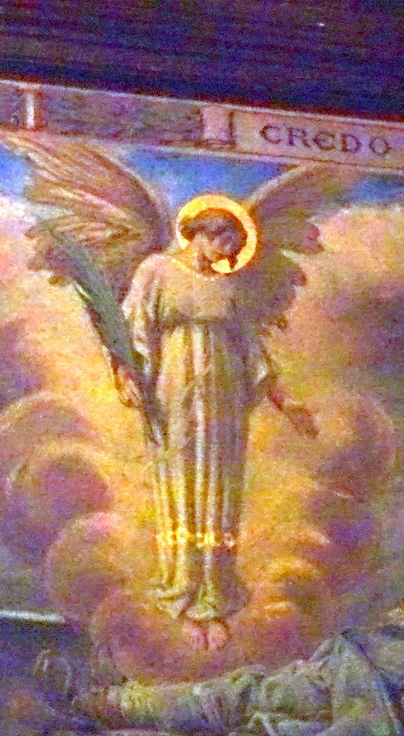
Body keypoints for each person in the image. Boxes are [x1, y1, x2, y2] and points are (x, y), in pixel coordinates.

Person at [40, 539, 404, 736]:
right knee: (247, 687)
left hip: (386, 696)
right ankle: (122, 700)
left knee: (244, 694)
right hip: (369, 673)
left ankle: (113, 705)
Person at [115, 206, 317, 653]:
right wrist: (128, 374)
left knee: (218, 490)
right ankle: (184, 595)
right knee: (182, 487)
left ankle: (215, 595)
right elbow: (134, 331)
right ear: (205, 234)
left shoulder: (230, 286)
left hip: (225, 403)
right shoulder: (156, 271)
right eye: (228, 243)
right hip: (174, 395)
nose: (230, 255)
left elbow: (252, 351)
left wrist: (286, 402)